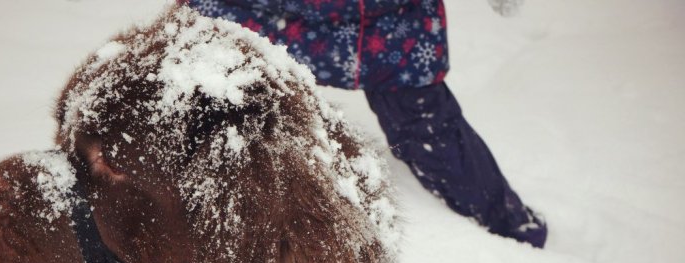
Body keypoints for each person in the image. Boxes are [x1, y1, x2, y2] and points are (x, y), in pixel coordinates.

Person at [183, 0, 547, 248]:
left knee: (426, 127)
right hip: (259, 12)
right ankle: (192, 231)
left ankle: (509, 230)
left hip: (385, 20)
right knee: (214, 100)